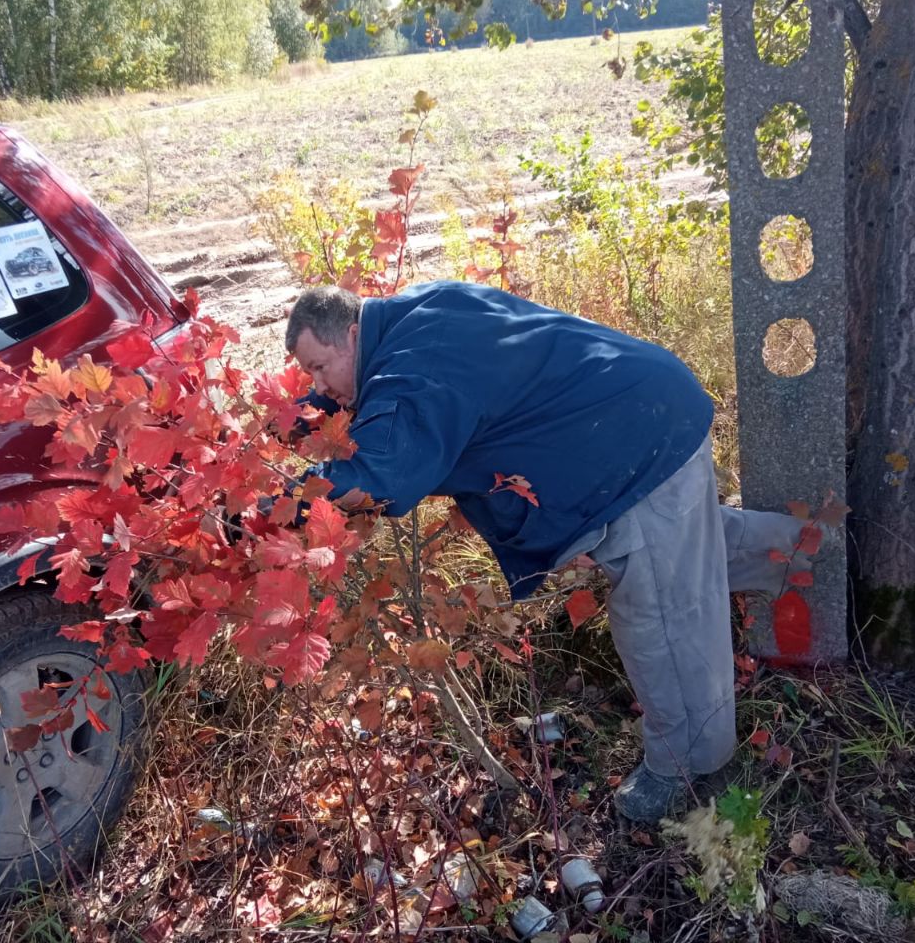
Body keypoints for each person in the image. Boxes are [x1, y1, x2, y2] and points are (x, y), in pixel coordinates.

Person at [285, 280, 805, 823]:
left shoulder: (414, 369)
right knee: (687, 550)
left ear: (351, 334)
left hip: (637, 448)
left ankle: (692, 767)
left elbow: (381, 478)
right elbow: (375, 389)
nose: (319, 385)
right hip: (647, 407)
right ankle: (812, 552)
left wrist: (286, 497)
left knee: (662, 614)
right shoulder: (412, 316)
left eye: (320, 368)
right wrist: (302, 414)